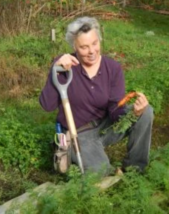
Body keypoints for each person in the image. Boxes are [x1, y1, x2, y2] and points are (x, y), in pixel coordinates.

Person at [39, 16, 154, 175]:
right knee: (100, 171)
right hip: (78, 133)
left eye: (95, 43)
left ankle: (134, 169)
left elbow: (115, 110)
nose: (92, 51)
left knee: (146, 112)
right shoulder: (65, 67)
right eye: (84, 47)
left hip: (106, 125)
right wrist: (55, 70)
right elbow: (47, 105)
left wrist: (134, 114)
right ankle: (94, 163)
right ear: (74, 46)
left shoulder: (113, 68)